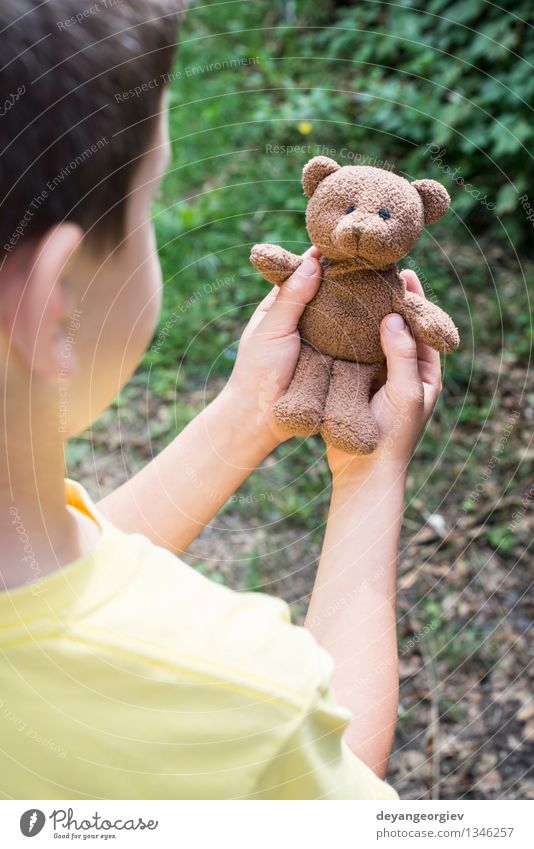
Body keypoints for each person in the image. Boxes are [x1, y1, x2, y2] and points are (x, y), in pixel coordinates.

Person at [0, 0, 443, 799]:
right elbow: (336, 783)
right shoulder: (242, 701)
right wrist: (369, 478)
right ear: (57, 298)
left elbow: (47, 586)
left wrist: (249, 412)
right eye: (150, 204)